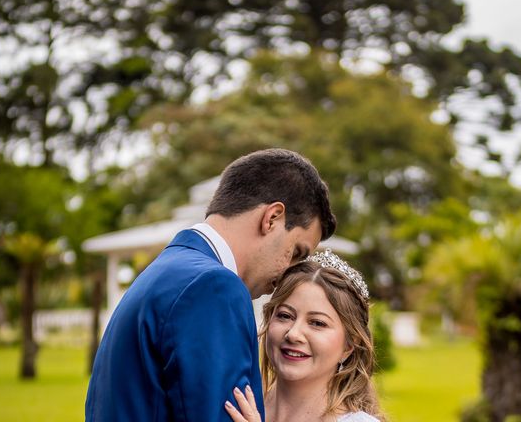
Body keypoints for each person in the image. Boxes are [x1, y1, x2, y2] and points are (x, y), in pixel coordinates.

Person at [85, 148, 336, 421]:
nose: (289, 275)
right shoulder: (213, 288)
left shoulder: (167, 270)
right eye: (296, 252)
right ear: (272, 218)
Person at [225, 250, 384, 422]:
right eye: (285, 316)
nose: (293, 334)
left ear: (349, 346)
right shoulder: (239, 406)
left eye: (317, 323)